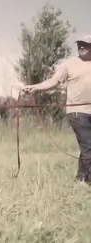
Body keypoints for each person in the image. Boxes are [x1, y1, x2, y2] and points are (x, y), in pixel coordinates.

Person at [22, 35, 91, 184]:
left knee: (87, 146)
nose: (82, 46)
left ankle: (82, 179)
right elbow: (54, 81)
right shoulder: (68, 65)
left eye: (85, 44)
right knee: (88, 144)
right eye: (80, 44)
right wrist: (35, 88)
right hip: (78, 112)